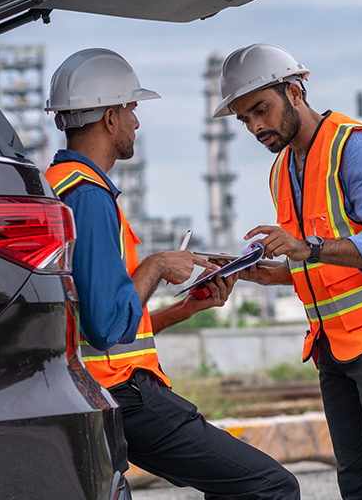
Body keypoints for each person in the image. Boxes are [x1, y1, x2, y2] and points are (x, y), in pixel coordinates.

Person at [43, 48, 300, 500]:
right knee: (270, 488)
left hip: (96, 392)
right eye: (131, 110)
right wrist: (157, 265)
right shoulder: (87, 197)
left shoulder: (58, 187)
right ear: (108, 117)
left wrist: (185, 308)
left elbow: (99, 323)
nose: (136, 123)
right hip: (120, 394)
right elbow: (105, 328)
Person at [215, 43, 362, 500]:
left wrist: (308, 248)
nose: (256, 126)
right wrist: (271, 274)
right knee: (355, 481)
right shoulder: (283, 168)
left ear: (295, 92)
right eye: (244, 119)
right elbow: (318, 262)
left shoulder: (356, 147)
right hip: (331, 341)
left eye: (261, 110)